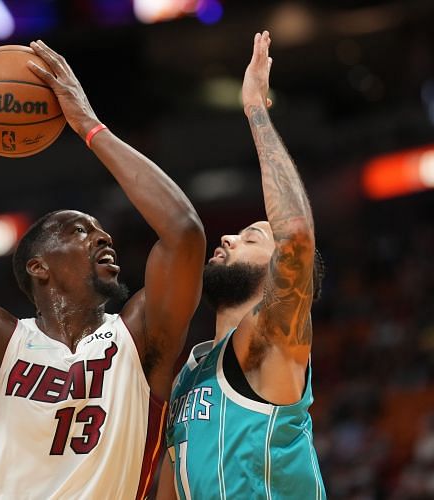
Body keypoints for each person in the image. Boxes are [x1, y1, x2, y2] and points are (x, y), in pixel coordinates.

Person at [0, 40, 205, 499]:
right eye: (79, 230)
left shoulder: (141, 337)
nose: (102, 238)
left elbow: (183, 233)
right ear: (38, 266)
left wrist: (88, 126)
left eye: (101, 231)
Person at [159, 31, 327, 499]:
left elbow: (296, 237)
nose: (228, 237)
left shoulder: (271, 342)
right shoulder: (188, 373)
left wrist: (256, 108)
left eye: (252, 236)